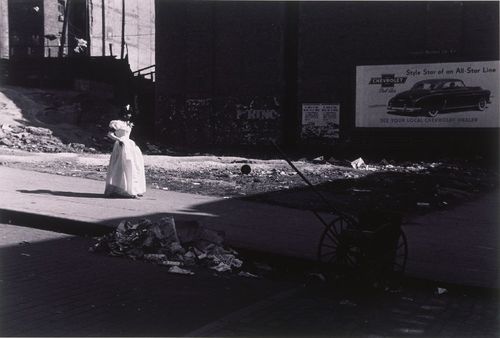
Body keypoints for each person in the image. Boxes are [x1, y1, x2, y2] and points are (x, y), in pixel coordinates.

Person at [104, 104, 146, 198]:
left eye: (130, 114)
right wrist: (119, 140)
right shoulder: (116, 123)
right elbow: (110, 134)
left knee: (133, 165)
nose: (129, 116)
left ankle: (132, 189)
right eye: (127, 114)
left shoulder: (128, 124)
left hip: (129, 145)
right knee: (121, 166)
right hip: (121, 145)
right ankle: (119, 189)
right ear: (123, 114)